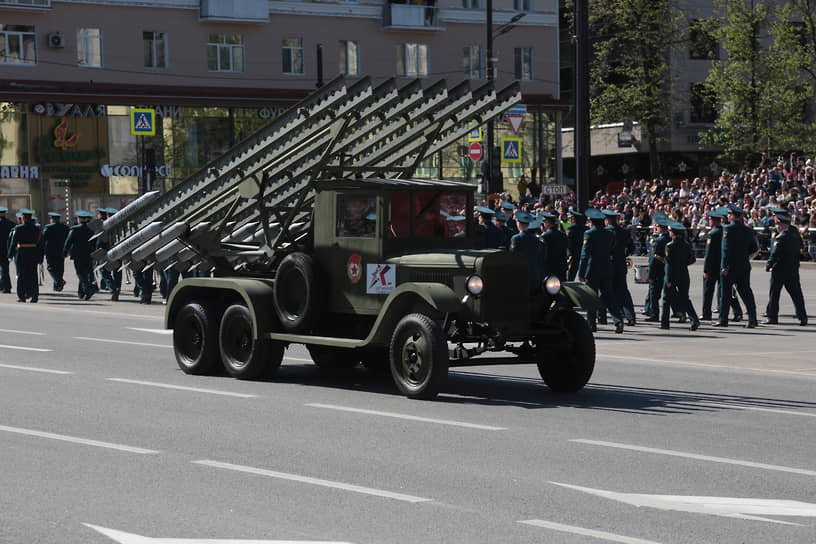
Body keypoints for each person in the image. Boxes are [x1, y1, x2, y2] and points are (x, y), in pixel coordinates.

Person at [578, 208, 623, 333]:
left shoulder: (589, 234)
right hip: (607, 267)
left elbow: (584, 255)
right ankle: (618, 320)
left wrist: (581, 273)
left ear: (591, 222)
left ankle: (591, 324)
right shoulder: (609, 233)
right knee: (609, 296)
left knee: (591, 296)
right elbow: (612, 248)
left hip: (593, 269)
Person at [716, 203, 759, 328]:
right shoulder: (747, 230)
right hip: (744, 265)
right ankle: (752, 318)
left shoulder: (728, 229)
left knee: (725, 294)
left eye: (729, 214)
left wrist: (725, 266)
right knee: (746, 293)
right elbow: (753, 248)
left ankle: (723, 319)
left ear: (733, 216)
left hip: (730, 267)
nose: (728, 216)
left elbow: (726, 250)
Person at [763, 213, 807, 325]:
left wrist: (768, 265)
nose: (777, 227)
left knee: (774, 294)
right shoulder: (795, 234)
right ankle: (802, 316)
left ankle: (772, 317)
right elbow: (801, 248)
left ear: (783, 225)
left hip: (779, 269)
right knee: (797, 294)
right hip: (792, 269)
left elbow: (774, 253)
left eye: (778, 224)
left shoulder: (781, 237)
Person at [701, 208, 742, 322]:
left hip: (713, 267)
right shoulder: (725, 231)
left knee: (708, 291)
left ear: (712, 221)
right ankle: (737, 311)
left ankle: (706, 313)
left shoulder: (712, 234)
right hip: (723, 265)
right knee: (727, 291)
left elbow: (709, 255)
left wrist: (706, 270)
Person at [661, 221, 700, 331]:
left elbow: (668, 264)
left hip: (672, 276)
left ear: (673, 233)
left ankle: (665, 323)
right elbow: (692, 260)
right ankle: (694, 319)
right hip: (683, 274)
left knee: (666, 299)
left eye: (670, 231)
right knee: (685, 299)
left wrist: (668, 279)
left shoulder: (669, 246)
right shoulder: (686, 245)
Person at [604, 210, 636, 325]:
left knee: (608, 291)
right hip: (621, 264)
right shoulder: (624, 232)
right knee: (623, 291)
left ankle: (608, 316)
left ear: (607, 220)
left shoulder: (606, 232)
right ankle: (630, 316)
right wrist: (623, 254)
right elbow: (631, 247)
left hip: (609, 264)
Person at [7, 208, 41, 302]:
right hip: (33, 253)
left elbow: (13, 243)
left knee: (21, 275)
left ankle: (22, 296)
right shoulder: (37, 229)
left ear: (23, 218)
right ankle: (34, 295)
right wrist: (40, 257)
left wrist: (10, 254)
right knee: (33, 275)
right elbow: (40, 244)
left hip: (21, 253)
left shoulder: (18, 228)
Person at [63, 210, 97, 300]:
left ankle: (87, 289)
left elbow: (68, 242)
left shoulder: (75, 229)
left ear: (80, 219)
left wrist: (65, 252)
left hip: (78, 255)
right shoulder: (92, 229)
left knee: (80, 273)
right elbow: (95, 243)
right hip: (89, 255)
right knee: (85, 272)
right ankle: (81, 293)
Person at [510, 211, 546, 293]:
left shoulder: (516, 239)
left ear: (518, 224)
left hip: (521, 274)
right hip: (535, 274)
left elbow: (513, 257)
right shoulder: (537, 240)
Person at [645, 213, 670, 322]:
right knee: (669, 294)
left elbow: (653, 260)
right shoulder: (669, 239)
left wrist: (650, 274)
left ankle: (654, 314)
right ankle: (680, 312)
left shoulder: (657, 241)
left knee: (654, 294)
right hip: (667, 270)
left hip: (657, 271)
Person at [41, 212, 70, 292]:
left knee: (50, 268)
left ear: (52, 219)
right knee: (60, 268)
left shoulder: (48, 227)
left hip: (50, 250)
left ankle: (59, 281)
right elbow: (68, 240)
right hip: (61, 250)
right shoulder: (65, 227)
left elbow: (43, 239)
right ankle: (57, 286)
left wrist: (42, 249)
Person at [540, 211, 568, 281]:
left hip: (549, 268)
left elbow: (542, 254)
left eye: (544, 222)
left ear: (547, 223)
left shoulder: (544, 236)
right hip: (561, 266)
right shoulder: (563, 235)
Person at [566, 207, 588, 281]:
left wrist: (569, 255)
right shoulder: (586, 228)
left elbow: (568, 243)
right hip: (584, 253)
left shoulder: (570, 228)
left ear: (573, 218)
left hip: (574, 254)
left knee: (571, 275)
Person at [0, 206, 15, 294]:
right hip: (7, 249)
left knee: (3, 269)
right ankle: (3, 285)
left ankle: (6, 286)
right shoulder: (11, 224)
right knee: (5, 268)